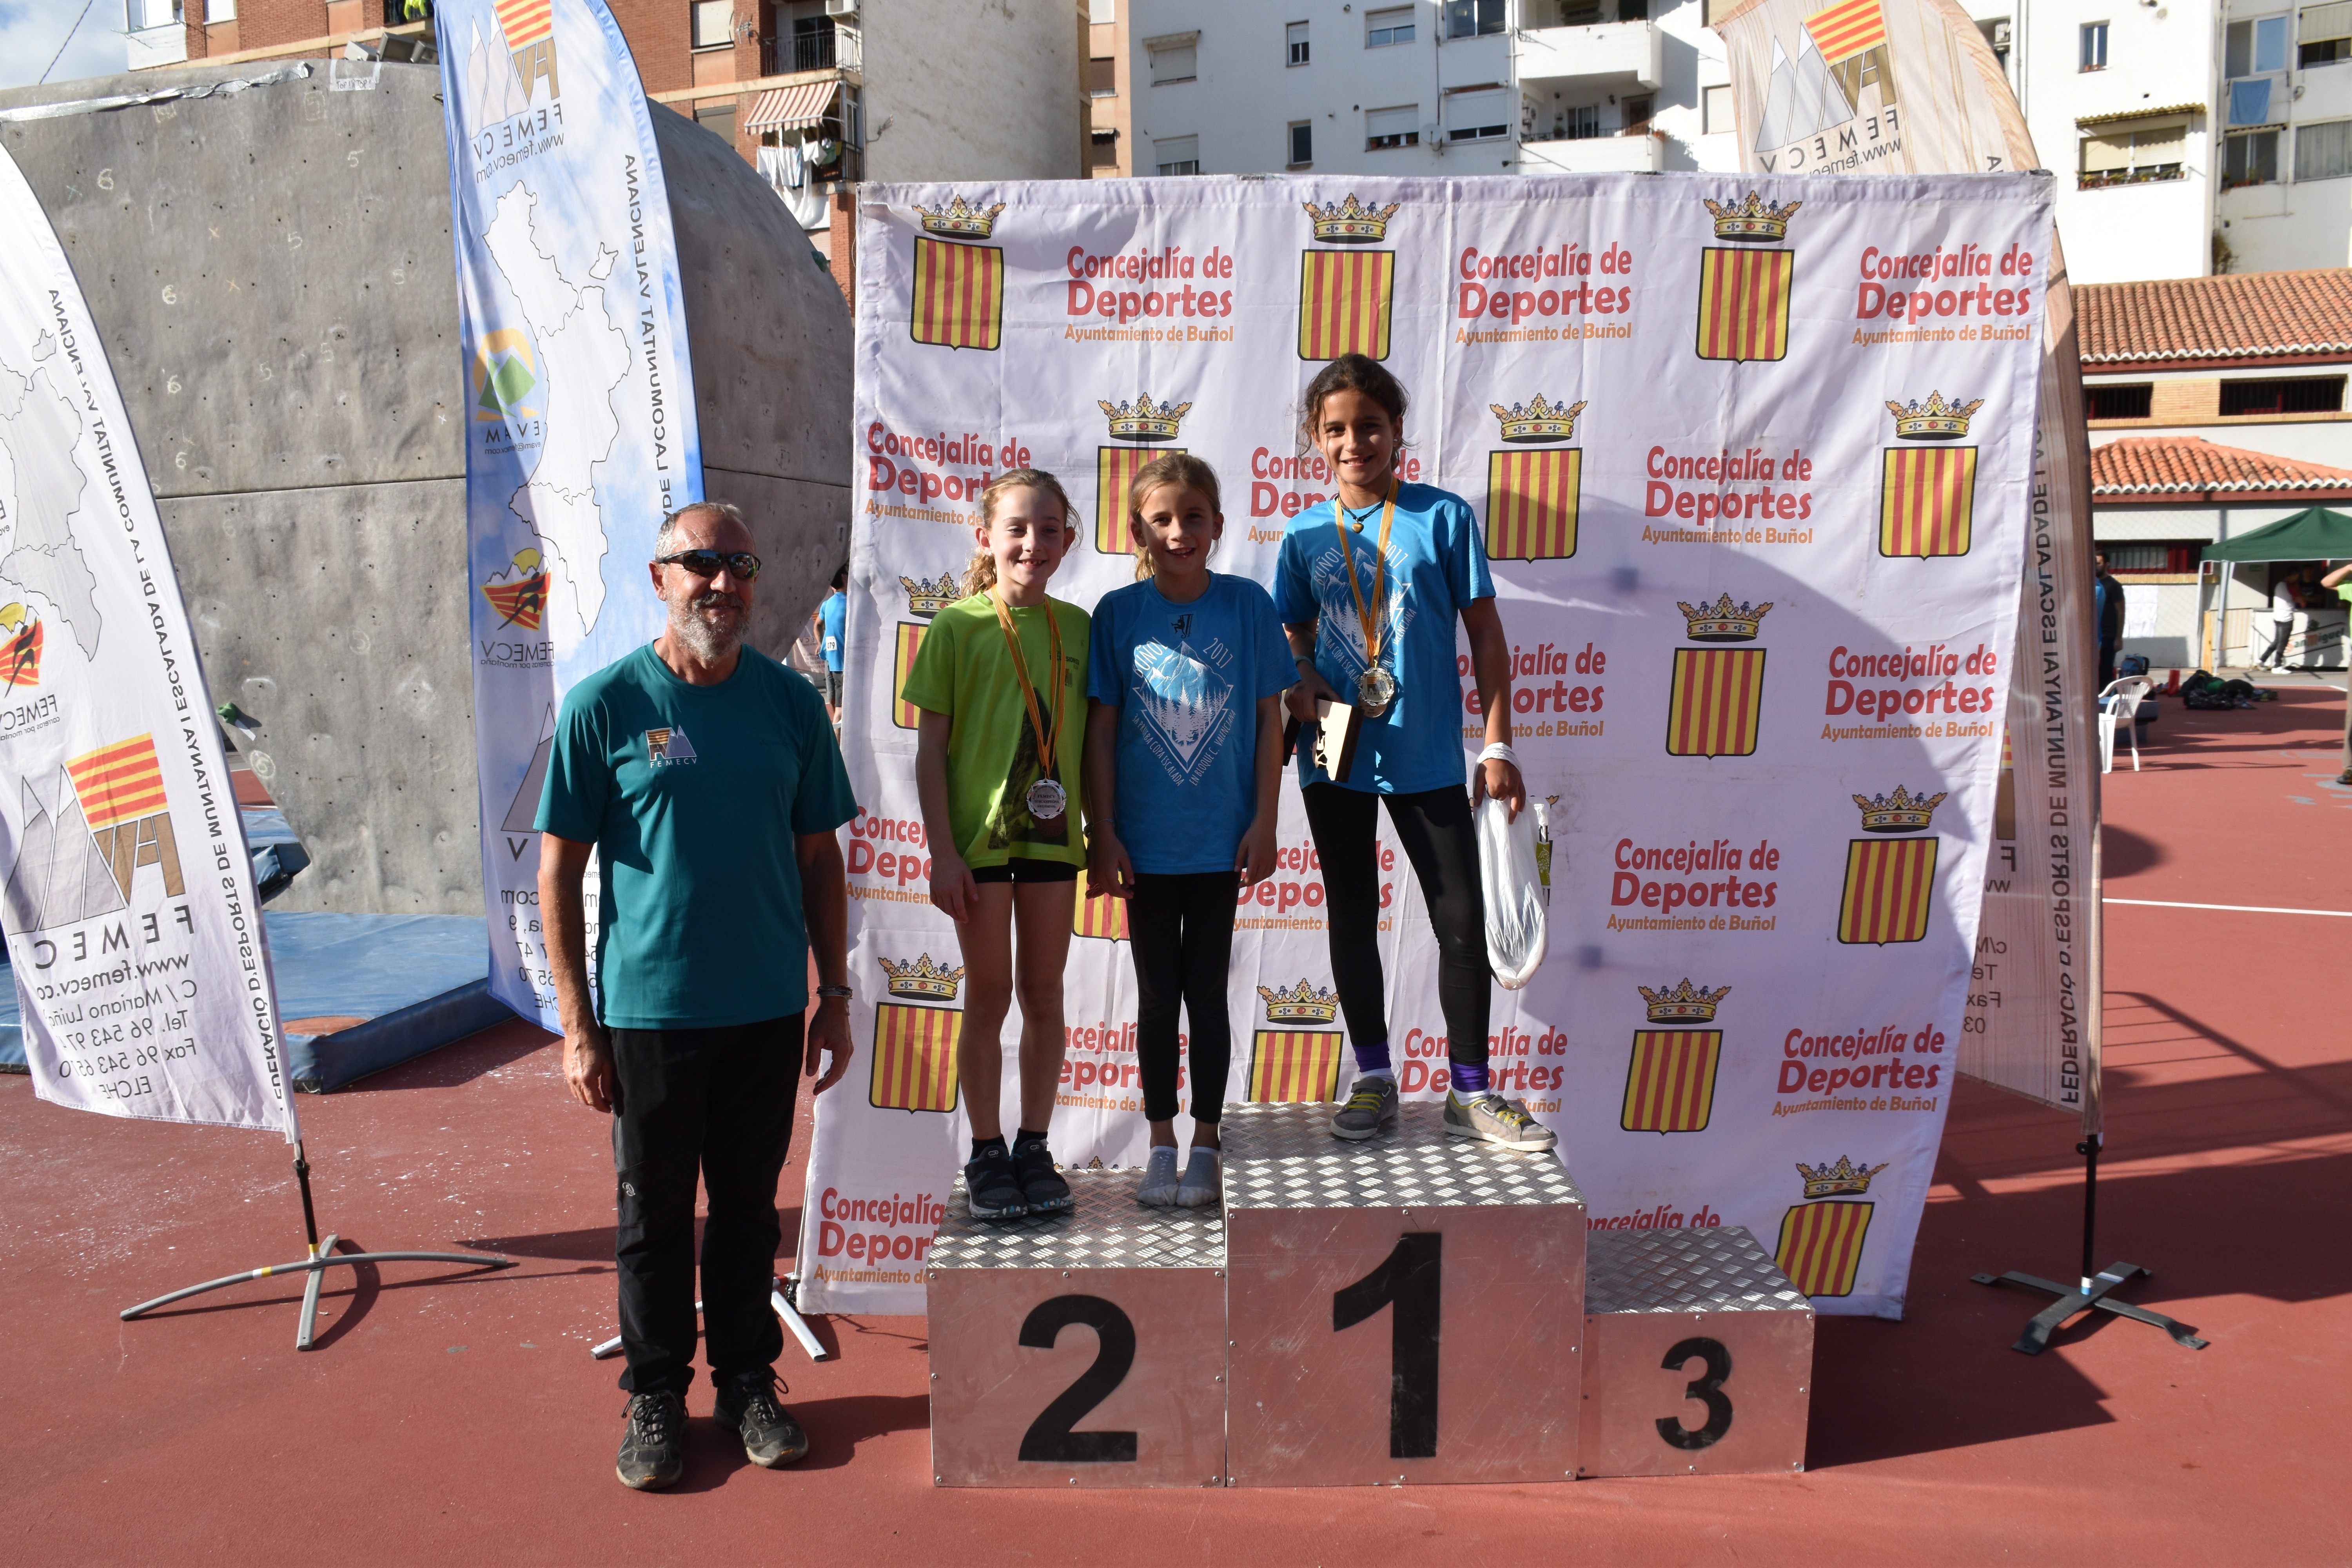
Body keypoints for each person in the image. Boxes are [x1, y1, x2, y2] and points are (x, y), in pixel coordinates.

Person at [536, 501, 858, 1492]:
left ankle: (748, 1382)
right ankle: (656, 1394)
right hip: (650, 1014)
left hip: (765, 1008)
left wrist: (836, 992)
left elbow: (821, 861)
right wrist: (577, 1027)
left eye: (740, 566)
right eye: (702, 564)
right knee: (654, 1217)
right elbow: (558, 872)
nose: (723, 584)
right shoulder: (602, 707)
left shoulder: (791, 706)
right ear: (660, 578)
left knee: (750, 1212)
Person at [1275, 354, 1546, 1152]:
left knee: (1462, 917)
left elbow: (1486, 634)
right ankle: (1373, 1075)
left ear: (1397, 431)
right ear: (1316, 438)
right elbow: (1293, 627)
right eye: (1336, 429)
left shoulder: (1443, 517)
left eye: (1369, 426)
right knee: (1351, 912)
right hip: (1334, 746)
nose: (1353, 442)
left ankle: (1471, 1089)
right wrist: (1302, 675)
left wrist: (1497, 743)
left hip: (1425, 749)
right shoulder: (1303, 532)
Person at [1082, 454, 1290, 1208]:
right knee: (1156, 995)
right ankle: (1160, 1142)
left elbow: (1271, 721)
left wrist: (1266, 821)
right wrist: (1104, 831)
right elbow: (1101, 732)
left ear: (1219, 525)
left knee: (1206, 992)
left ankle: (1207, 1142)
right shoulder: (1117, 613)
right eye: (1162, 519)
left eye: (1193, 517)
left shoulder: (1248, 606)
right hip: (1143, 844)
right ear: (1138, 529)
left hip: (1219, 842)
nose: (1179, 532)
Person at [906, 471, 1089, 1222]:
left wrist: (1105, 833)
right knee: (989, 995)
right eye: (1016, 528)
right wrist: (942, 853)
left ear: (1067, 541)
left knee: (1044, 995)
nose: (1031, 544)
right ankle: (986, 1151)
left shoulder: (1080, 628)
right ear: (985, 537)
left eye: (1048, 530)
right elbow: (929, 751)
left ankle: (1034, 1147)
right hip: (977, 848)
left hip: (1054, 842)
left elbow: (1095, 745)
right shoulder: (956, 626)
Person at [819, 566, 848, 719]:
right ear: (844, 577)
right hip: (844, 664)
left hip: (834, 661)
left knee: (838, 704)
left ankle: (835, 730)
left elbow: (819, 626)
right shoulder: (851, 603)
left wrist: (821, 646)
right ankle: (834, 734)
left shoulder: (828, 604)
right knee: (840, 709)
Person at [2093, 552, 2125, 689]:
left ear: (2107, 565)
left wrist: (2119, 638)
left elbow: (2121, 612)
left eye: (2099, 563)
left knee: (2105, 672)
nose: (2096, 566)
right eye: (2094, 563)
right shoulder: (2091, 584)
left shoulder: (2113, 586)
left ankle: (2106, 698)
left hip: (2108, 636)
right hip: (2094, 635)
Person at [2261, 566, 2301, 670]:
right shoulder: (2291, 587)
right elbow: (2301, 601)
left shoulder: (2279, 585)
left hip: (2277, 616)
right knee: (2282, 643)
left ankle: (2262, 660)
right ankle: (2278, 666)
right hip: (2286, 618)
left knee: (2277, 641)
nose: (2297, 579)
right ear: (2294, 576)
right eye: (2297, 577)